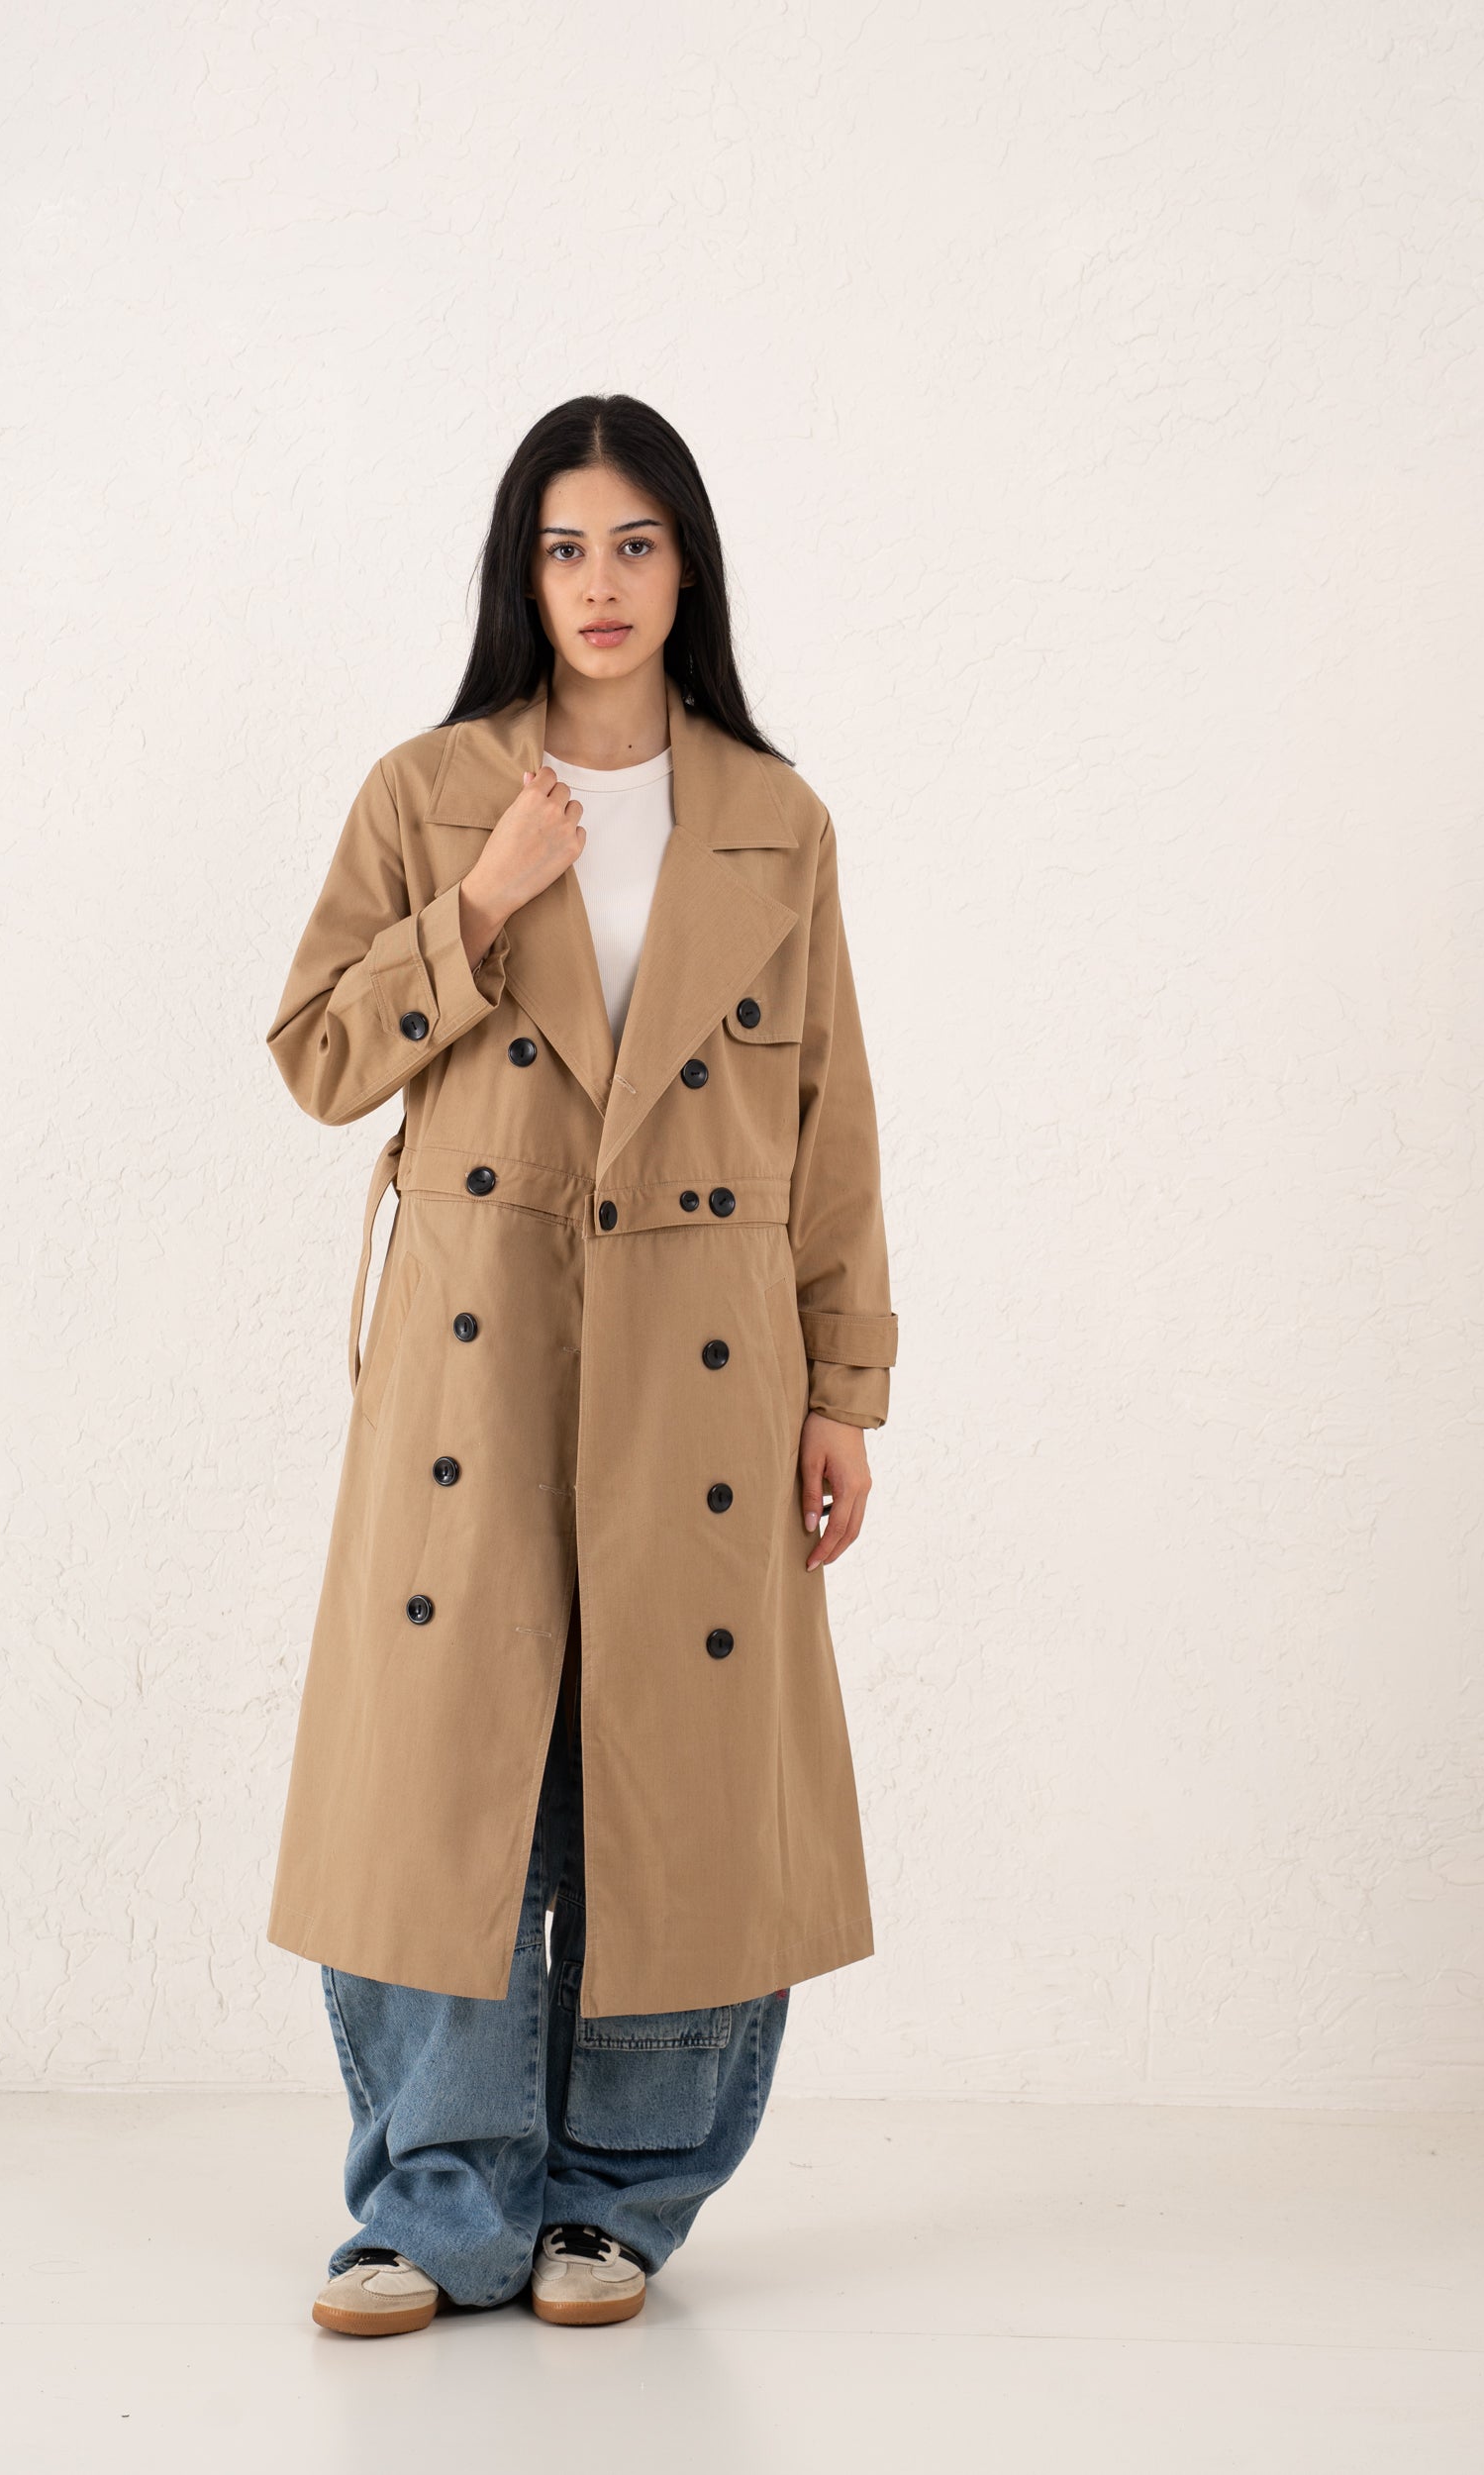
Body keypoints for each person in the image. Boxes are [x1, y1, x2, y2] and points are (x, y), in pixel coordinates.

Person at [263, 394, 898, 2334]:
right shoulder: (428, 791)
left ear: (686, 565)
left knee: (673, 1768)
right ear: (517, 575)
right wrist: (480, 900)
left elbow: (830, 1126)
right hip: (482, 1349)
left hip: (707, 1363)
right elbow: (317, 1055)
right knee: (451, 1766)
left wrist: (842, 1388)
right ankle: (436, 2204)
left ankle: (619, 2199)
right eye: (563, 547)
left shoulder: (775, 819)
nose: (599, 583)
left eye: (634, 543)